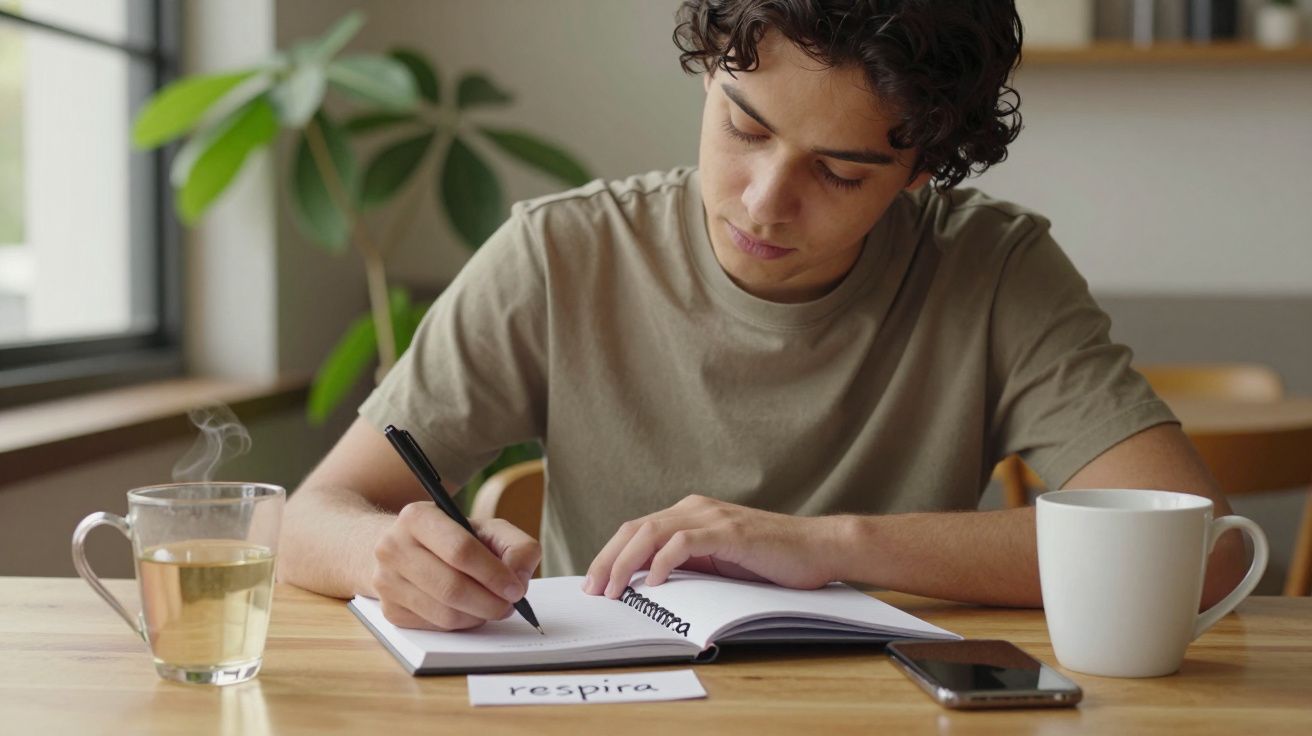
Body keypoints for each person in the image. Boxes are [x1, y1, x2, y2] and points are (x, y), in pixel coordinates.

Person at [279, 0, 1246, 632]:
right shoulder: (560, 255)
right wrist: (386, 555)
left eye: (840, 170)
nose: (763, 201)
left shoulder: (992, 269)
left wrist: (824, 548)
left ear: (921, 171)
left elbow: (1192, 550)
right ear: (709, 73)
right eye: (744, 127)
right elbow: (305, 520)